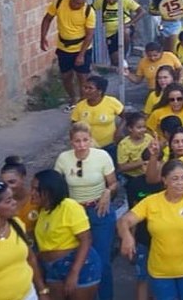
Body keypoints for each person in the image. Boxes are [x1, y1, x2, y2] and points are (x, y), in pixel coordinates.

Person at [117, 159, 183, 300]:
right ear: (164, 180)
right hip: (161, 273)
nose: (180, 183)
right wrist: (127, 236)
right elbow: (124, 221)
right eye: (175, 179)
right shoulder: (151, 202)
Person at [55, 123, 118, 300]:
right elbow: (56, 185)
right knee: (77, 258)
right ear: (71, 142)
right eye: (77, 141)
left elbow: (113, 183)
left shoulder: (102, 156)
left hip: (99, 209)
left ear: (91, 139)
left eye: (85, 140)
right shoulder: (63, 159)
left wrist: (107, 192)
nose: (82, 145)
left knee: (102, 260)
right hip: (75, 212)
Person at [33, 169, 103, 300]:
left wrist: (74, 273)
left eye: (36, 189)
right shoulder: (43, 211)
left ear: (49, 190)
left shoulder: (69, 206)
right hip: (52, 268)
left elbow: (86, 239)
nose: (32, 193)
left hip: (77, 265)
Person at [40, 0, 97, 110]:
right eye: (77, 3)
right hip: (64, 48)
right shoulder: (59, 3)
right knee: (66, 77)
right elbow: (47, 19)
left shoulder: (88, 11)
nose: (79, 6)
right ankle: (73, 98)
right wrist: (43, 37)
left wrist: (81, 55)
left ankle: (83, 104)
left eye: (82, 3)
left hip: (83, 48)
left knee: (83, 77)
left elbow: (89, 35)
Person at [70, 76, 124, 160]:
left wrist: (119, 131)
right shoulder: (80, 106)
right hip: (88, 147)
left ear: (99, 91)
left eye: (90, 88)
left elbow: (126, 117)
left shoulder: (111, 102)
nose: (85, 90)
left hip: (109, 145)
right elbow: (74, 124)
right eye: (85, 87)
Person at [93, 0, 143, 69]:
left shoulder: (126, 0)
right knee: (115, 63)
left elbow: (142, 11)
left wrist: (130, 23)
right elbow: (90, 10)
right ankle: (119, 64)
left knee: (124, 32)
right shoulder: (101, 1)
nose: (110, 1)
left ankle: (123, 56)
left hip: (125, 28)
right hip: (110, 34)